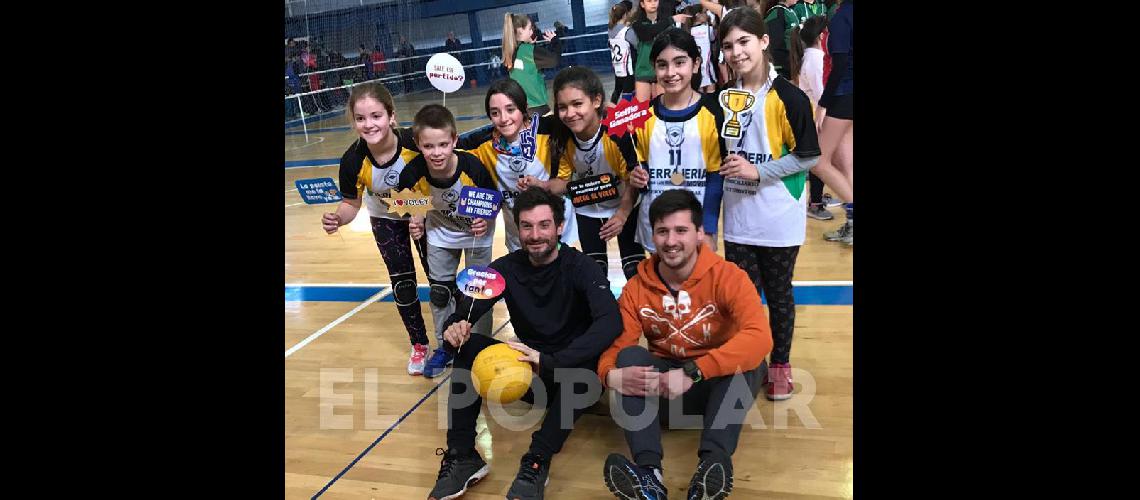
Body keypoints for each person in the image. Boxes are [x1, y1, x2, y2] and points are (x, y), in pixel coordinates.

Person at [427, 187, 623, 500]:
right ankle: (462, 454)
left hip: (574, 376)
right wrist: (455, 327)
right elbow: (467, 308)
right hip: (531, 377)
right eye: (527, 226)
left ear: (559, 227)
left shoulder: (582, 267)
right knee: (467, 345)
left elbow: (610, 322)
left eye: (544, 225)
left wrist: (553, 360)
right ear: (518, 228)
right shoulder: (506, 269)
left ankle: (536, 460)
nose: (535, 235)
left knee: (585, 374)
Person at [597, 189, 772, 500]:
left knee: (752, 359)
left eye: (681, 230)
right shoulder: (637, 288)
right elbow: (614, 346)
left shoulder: (729, 277)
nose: (671, 240)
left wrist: (693, 372)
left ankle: (711, 470)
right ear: (653, 235)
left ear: (699, 234)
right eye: (662, 231)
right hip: (666, 395)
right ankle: (650, 476)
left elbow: (760, 337)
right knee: (629, 357)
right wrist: (610, 376)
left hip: (716, 392)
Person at [717, 6, 822, 400]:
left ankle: (780, 364)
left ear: (763, 42)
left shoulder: (790, 97)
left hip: (779, 215)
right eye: (728, 45)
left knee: (778, 294)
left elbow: (810, 155)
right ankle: (744, 362)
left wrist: (758, 173)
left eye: (743, 41)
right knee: (740, 299)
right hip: (739, 217)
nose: (736, 52)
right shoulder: (725, 98)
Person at [320, 82, 432, 376]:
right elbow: (350, 204)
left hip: (426, 214)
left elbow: (444, 172)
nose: (369, 124)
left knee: (439, 278)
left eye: (376, 116)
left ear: (391, 116)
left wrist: (420, 212)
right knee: (403, 284)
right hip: (385, 220)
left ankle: (451, 339)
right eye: (360, 118)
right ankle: (419, 343)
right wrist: (338, 218)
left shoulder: (414, 142)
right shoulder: (352, 160)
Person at [630, 28, 726, 254]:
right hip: (656, 227)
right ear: (654, 68)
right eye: (662, 64)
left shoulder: (714, 113)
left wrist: (709, 228)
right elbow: (642, 167)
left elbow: (715, 177)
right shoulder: (644, 116)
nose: (670, 72)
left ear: (695, 64)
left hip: (697, 228)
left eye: (679, 62)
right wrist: (637, 176)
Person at [549, 66, 649, 279]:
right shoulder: (562, 136)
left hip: (625, 206)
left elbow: (631, 180)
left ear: (596, 101)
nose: (570, 113)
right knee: (594, 273)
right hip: (588, 210)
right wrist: (541, 187)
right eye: (562, 107)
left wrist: (622, 215)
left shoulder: (617, 133)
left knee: (635, 270)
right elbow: (561, 180)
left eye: (577, 104)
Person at [469, 78, 580, 253]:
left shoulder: (550, 131)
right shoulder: (482, 146)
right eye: (495, 113)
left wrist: (542, 186)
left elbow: (567, 183)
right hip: (518, 239)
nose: (504, 119)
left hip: (561, 233)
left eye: (510, 109)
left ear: (524, 108)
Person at [787, 15, 833, 221]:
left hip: (818, 110)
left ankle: (818, 197)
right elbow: (821, 91)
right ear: (822, 34)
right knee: (820, 158)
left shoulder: (812, 54)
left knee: (824, 157)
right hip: (818, 112)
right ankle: (815, 203)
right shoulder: (814, 56)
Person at [814, 0, 853, 245]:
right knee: (844, 162)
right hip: (847, 93)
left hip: (843, 94)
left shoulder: (842, 18)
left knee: (818, 161)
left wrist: (823, 103)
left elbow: (839, 65)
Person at [502, 13, 560, 116]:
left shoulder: (510, 51)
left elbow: (526, 67)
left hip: (521, 107)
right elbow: (554, 60)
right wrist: (555, 41)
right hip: (537, 107)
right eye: (529, 29)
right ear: (520, 30)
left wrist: (531, 45)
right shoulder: (529, 51)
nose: (532, 31)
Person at [608, 0, 637, 105]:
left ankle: (609, 114)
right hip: (628, 67)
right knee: (629, 93)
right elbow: (637, 45)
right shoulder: (627, 31)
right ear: (625, 14)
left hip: (617, 66)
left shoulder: (610, 30)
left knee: (617, 90)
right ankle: (625, 114)